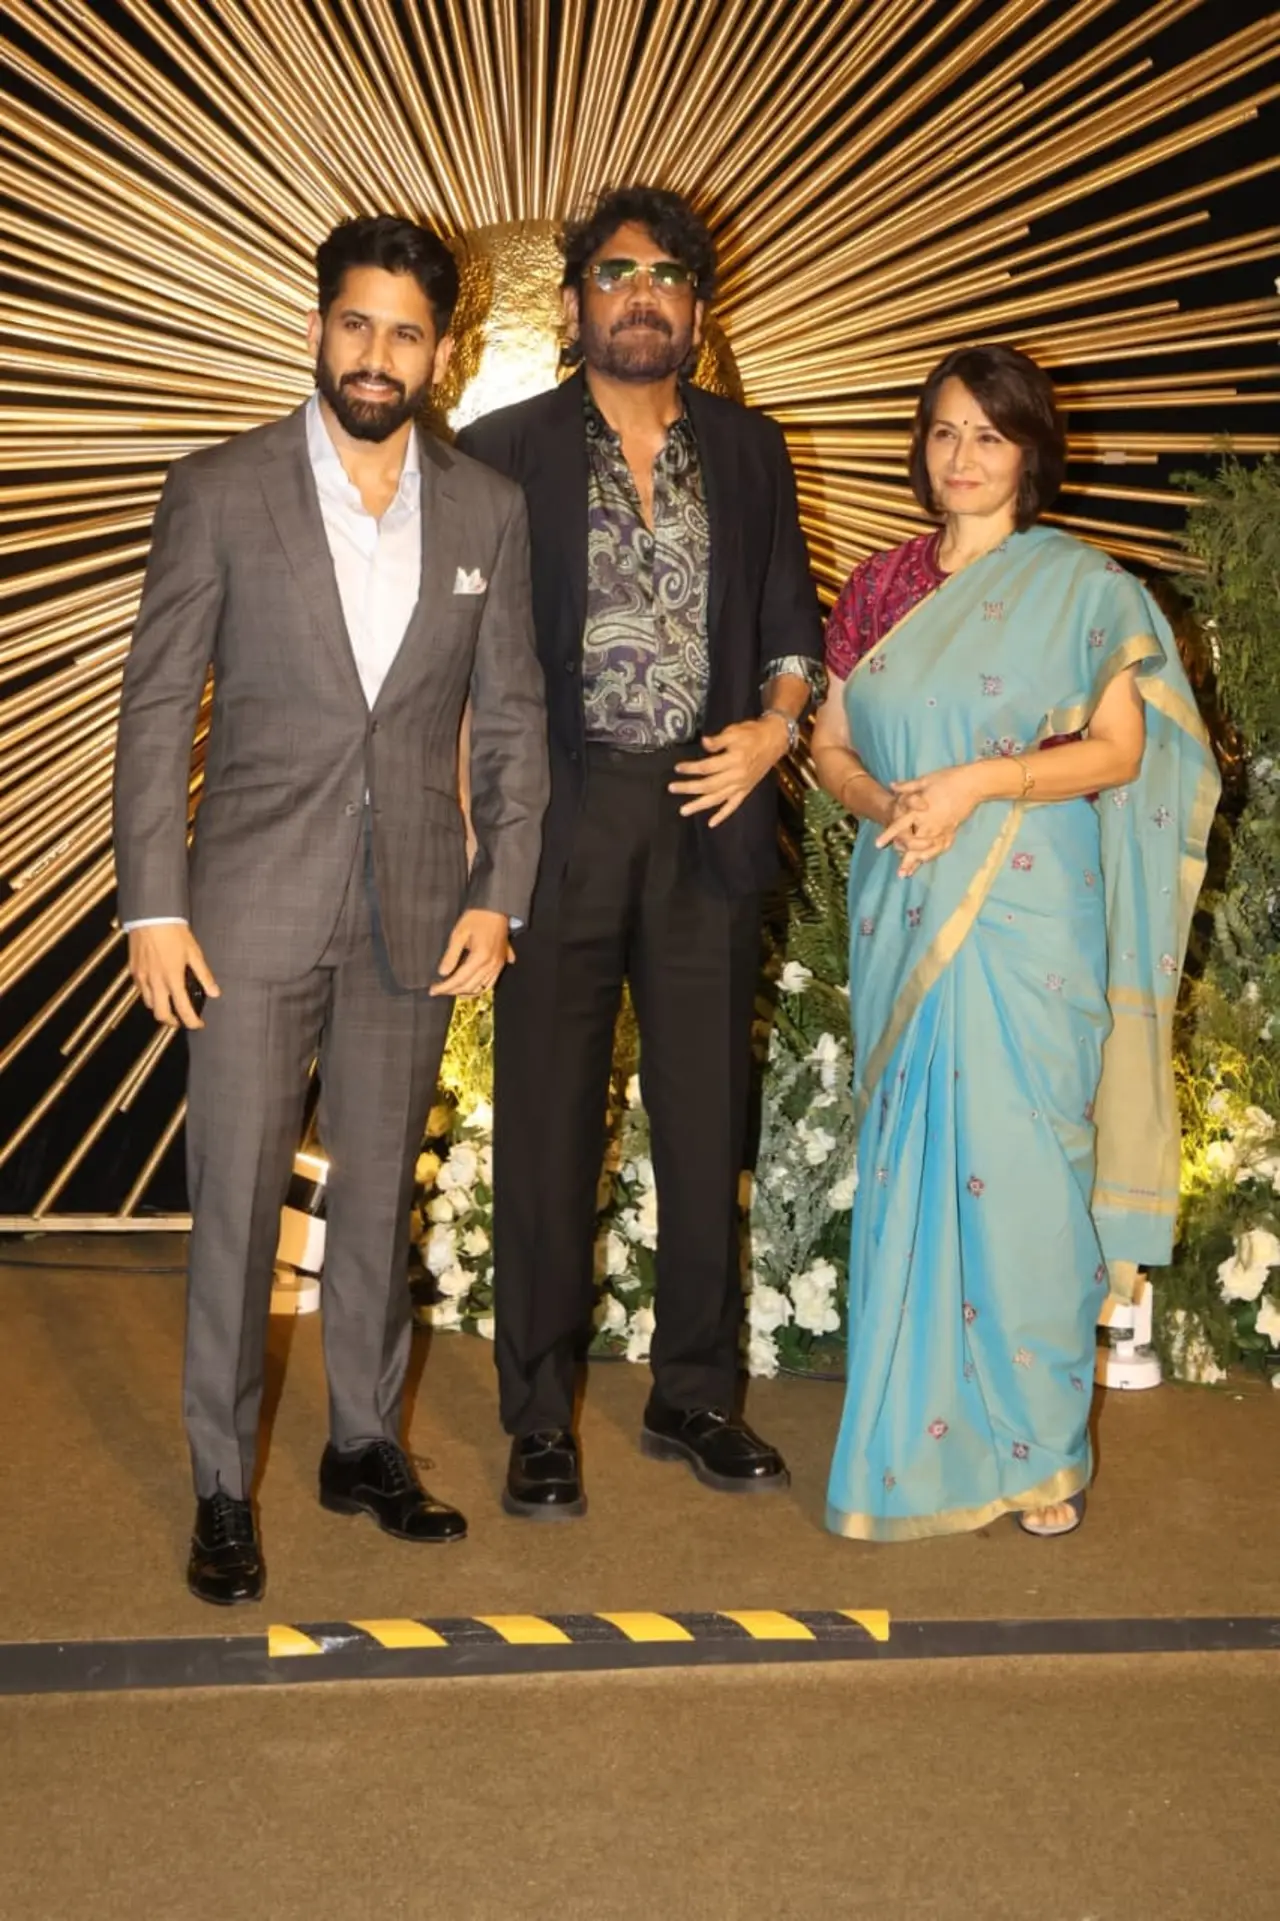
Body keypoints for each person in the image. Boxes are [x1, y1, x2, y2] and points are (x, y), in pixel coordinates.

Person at [113, 214, 548, 1603]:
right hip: (243, 904)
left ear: (441, 352)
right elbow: (153, 706)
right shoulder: (220, 490)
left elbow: (514, 725)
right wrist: (151, 906)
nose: (377, 354)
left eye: (406, 332)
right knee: (237, 1204)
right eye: (356, 324)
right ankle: (221, 1482)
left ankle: (364, 1441)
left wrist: (502, 889)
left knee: (379, 1195)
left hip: (415, 907)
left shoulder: (486, 510)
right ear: (318, 330)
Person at [456, 186, 824, 1518]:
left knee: (701, 1112)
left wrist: (773, 736)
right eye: (616, 274)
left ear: (698, 311)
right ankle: (539, 1415)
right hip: (559, 817)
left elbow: (792, 626)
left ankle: (694, 1393)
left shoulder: (750, 447)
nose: (642, 296)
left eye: (669, 277)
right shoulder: (500, 452)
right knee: (548, 1124)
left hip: (709, 812)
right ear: (572, 304)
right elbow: (465, 663)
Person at [810, 342, 1218, 1542]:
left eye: (989, 436)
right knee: (911, 1166)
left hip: (1032, 906)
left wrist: (980, 784)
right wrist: (887, 805)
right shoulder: (878, 587)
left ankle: (1041, 1454)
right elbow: (830, 744)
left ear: (1031, 452)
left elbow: (1117, 751)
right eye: (942, 432)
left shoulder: (1081, 586)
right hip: (906, 889)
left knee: (1030, 1172)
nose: (962, 458)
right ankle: (906, 1435)